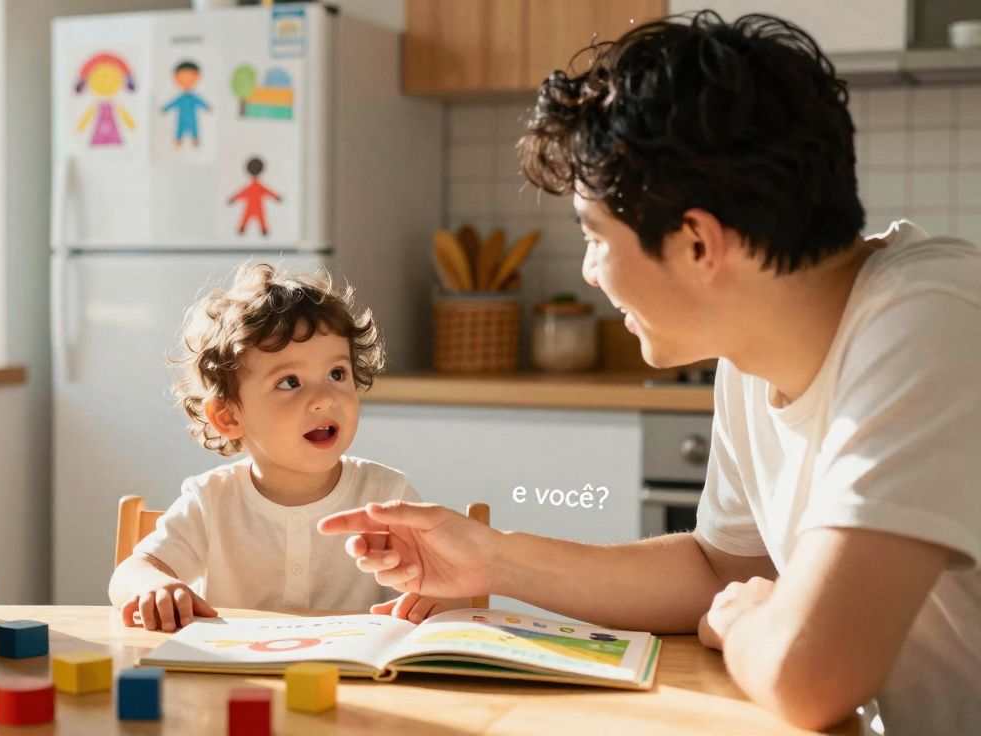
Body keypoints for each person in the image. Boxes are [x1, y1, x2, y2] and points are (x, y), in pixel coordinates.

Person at [320, 12, 979, 734]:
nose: (588, 274)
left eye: (595, 237)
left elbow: (807, 673)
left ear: (697, 242)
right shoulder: (750, 357)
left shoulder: (929, 319)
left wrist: (750, 620)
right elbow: (717, 570)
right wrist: (491, 560)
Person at [109, 264, 457, 631]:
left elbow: (452, 589)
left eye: (337, 374)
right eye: (290, 382)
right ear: (228, 417)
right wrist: (154, 585)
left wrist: (437, 599)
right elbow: (131, 574)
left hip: (357, 683)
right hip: (237, 679)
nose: (324, 399)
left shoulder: (389, 496)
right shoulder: (210, 500)